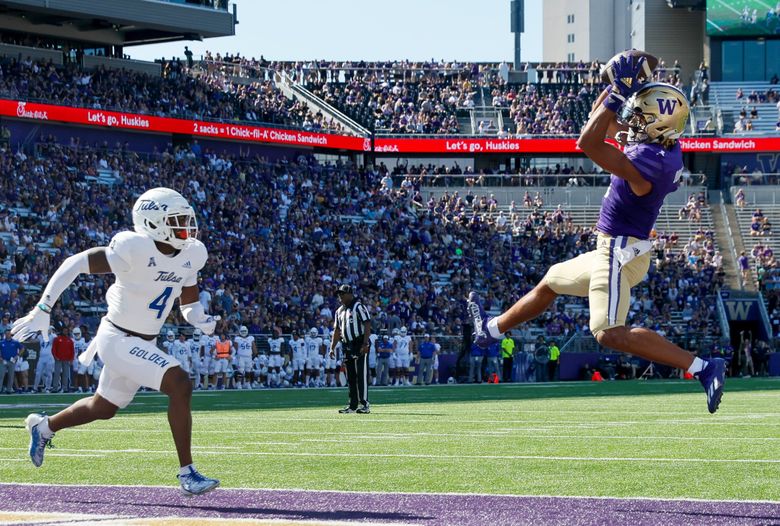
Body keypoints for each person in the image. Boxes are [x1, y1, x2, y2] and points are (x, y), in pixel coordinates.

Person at [467, 55, 726, 413]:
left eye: (641, 118)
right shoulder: (659, 143)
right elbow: (599, 122)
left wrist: (620, 92)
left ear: (660, 125)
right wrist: (618, 88)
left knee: (608, 333)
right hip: (614, 248)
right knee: (551, 281)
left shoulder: (652, 162)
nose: (632, 122)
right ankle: (490, 331)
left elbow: (588, 142)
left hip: (621, 251)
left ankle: (702, 367)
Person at [13, 187, 220, 495]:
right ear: (153, 223)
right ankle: (187, 474)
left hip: (143, 343)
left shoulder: (192, 254)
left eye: (187, 221)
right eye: (177, 221)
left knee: (103, 407)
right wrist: (43, 308)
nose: (186, 229)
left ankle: (43, 427)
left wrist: (199, 317)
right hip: (116, 338)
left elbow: (187, 303)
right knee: (179, 382)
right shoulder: (133, 248)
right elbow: (75, 263)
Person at [332, 284, 371, 414]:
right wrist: (332, 347)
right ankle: (353, 405)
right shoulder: (339, 311)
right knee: (351, 377)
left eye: (342, 294)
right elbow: (337, 330)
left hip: (359, 343)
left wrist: (365, 343)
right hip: (347, 345)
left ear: (350, 294)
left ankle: (365, 404)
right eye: (339, 294)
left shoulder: (358, 306)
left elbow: (367, 323)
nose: (340, 297)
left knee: (361, 374)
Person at [51, 326, 74, 393]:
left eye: (66, 331)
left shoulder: (70, 340)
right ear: (62, 331)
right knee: (57, 373)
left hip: (66, 359)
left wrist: (71, 359)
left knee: (66, 374)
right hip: (58, 359)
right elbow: (53, 349)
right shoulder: (57, 339)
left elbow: (72, 351)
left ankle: (65, 388)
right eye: (64, 331)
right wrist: (55, 357)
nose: (65, 332)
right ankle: (55, 388)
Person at [0, 329, 21, 393]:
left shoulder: (15, 342)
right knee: (1, 376)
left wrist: (17, 355)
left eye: (8, 334)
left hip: (12, 361)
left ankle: (9, 389)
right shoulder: (1, 342)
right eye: (6, 334)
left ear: (10, 334)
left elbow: (22, 348)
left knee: (11, 376)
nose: (7, 335)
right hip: (3, 361)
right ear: (4, 334)